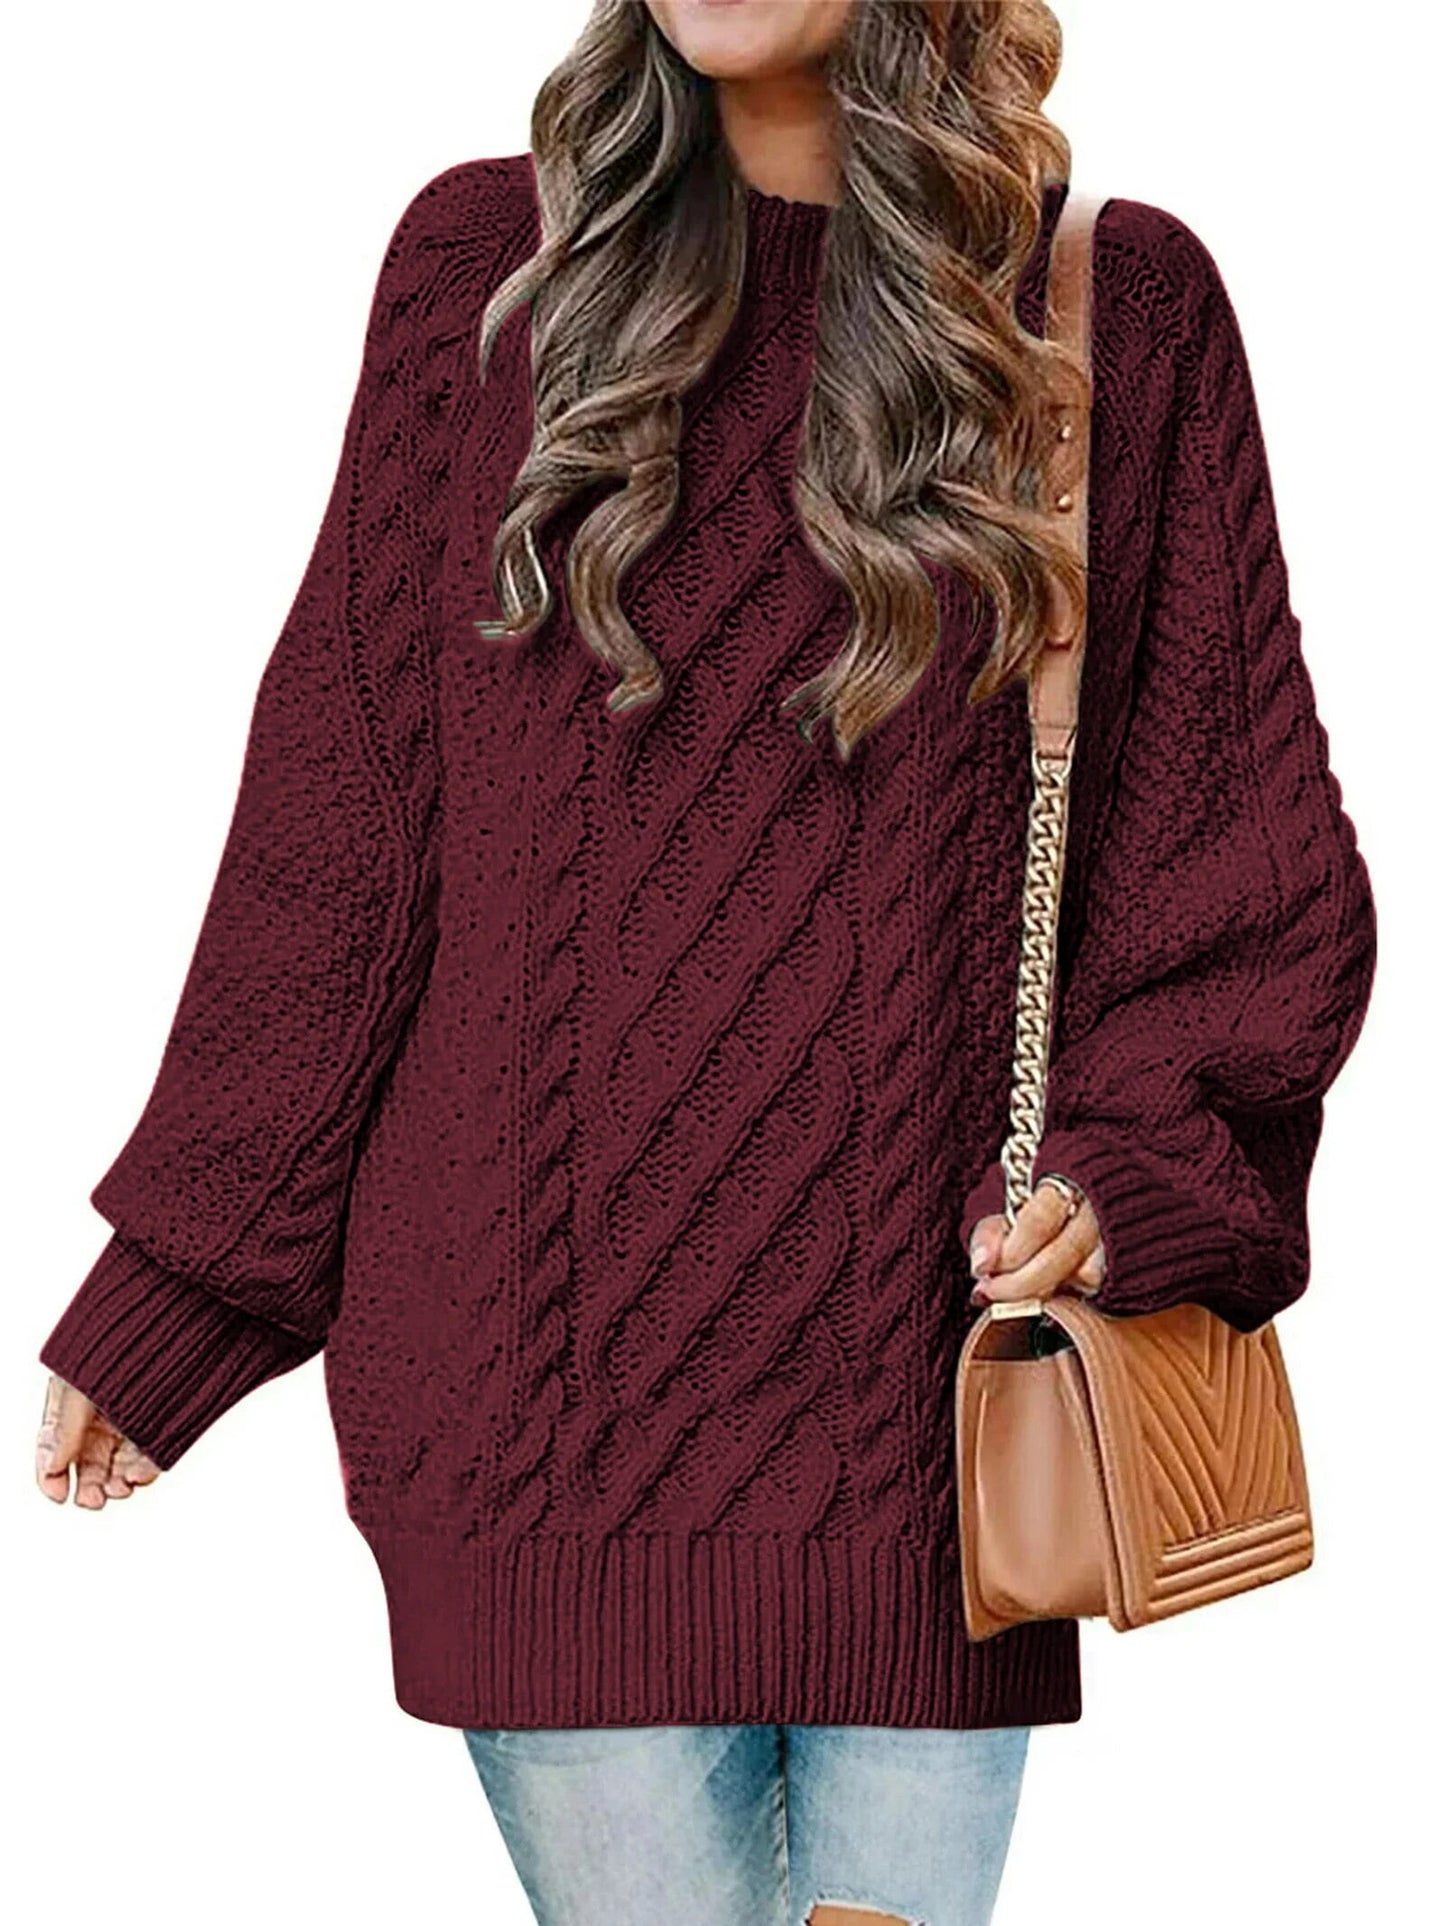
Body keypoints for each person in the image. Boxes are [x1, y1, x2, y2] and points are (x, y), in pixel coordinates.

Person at [33, 3, 1378, 1923]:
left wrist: (1132, 1171)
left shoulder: (1107, 311)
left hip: (932, 1451)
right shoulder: (481, 276)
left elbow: (1231, 869)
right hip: (535, 1427)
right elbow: (344, 829)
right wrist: (183, 1282)